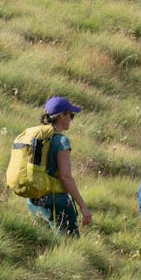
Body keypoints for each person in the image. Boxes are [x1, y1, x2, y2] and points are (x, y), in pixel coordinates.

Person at [25, 96, 92, 236]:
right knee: (69, 246)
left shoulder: (38, 138)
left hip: (34, 200)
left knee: (44, 244)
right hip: (56, 202)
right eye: (71, 115)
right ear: (62, 116)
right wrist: (83, 207)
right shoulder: (61, 141)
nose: (71, 119)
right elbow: (65, 177)